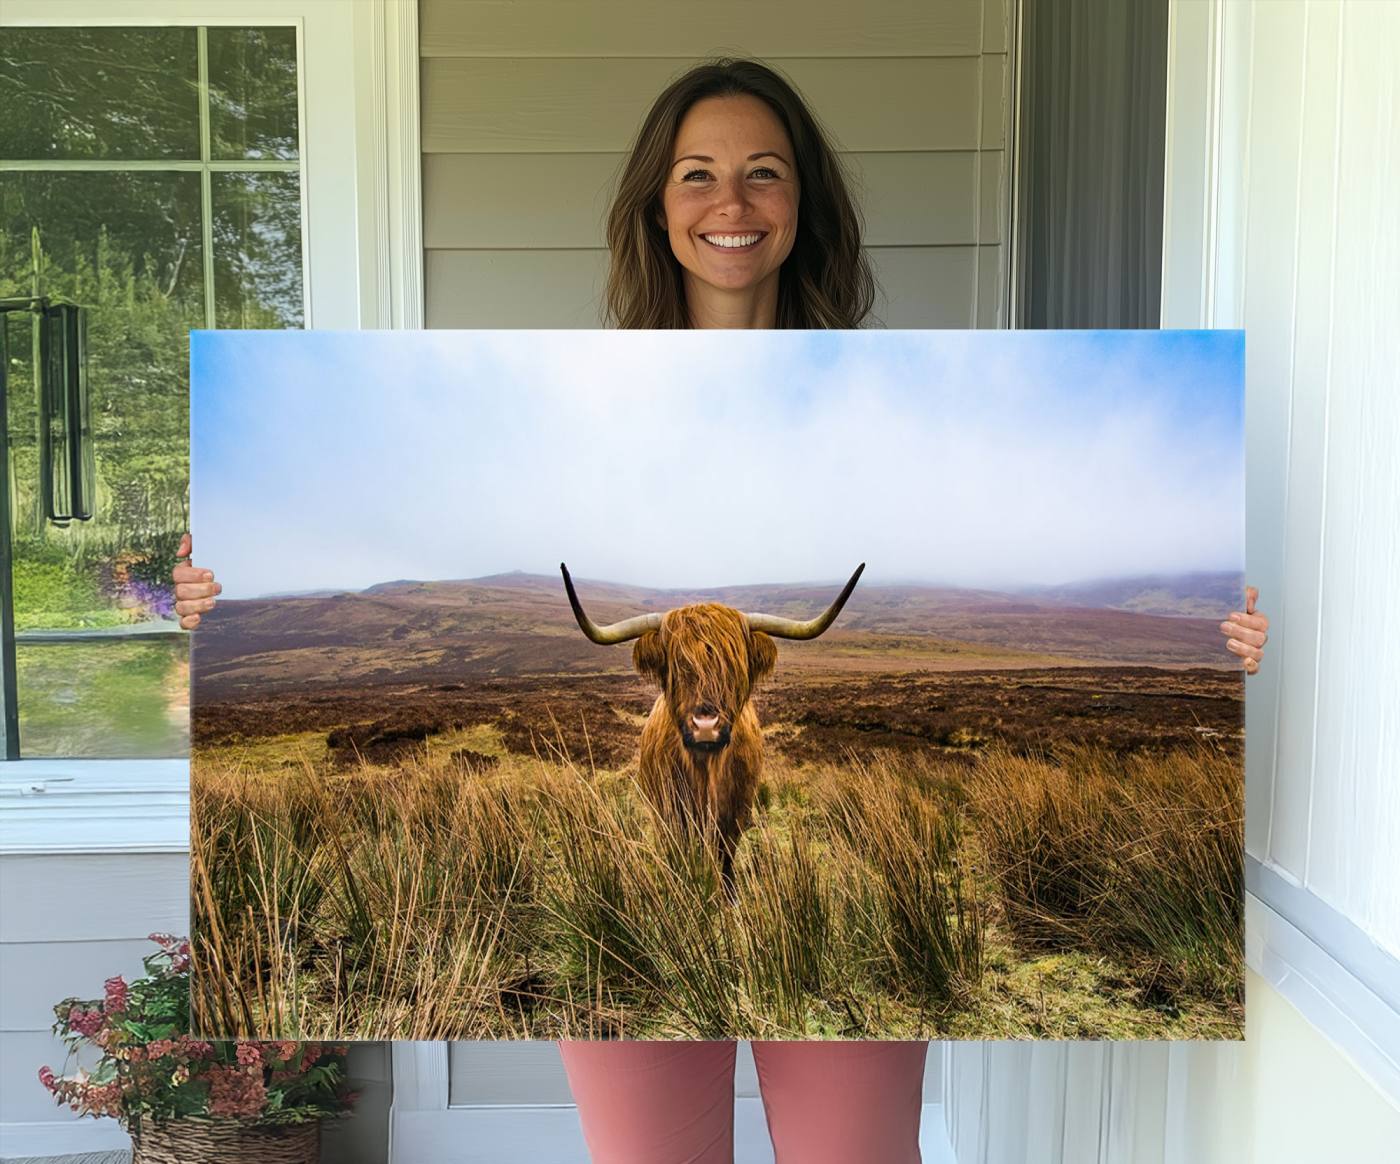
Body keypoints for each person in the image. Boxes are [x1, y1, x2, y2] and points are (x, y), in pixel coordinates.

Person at [174, 57, 1270, 1164]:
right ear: (657, 205)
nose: (729, 204)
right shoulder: (567, 396)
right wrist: (209, 608)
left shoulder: (888, 399)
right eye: (696, 174)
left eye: (763, 173)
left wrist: (1213, 645)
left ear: (803, 205)